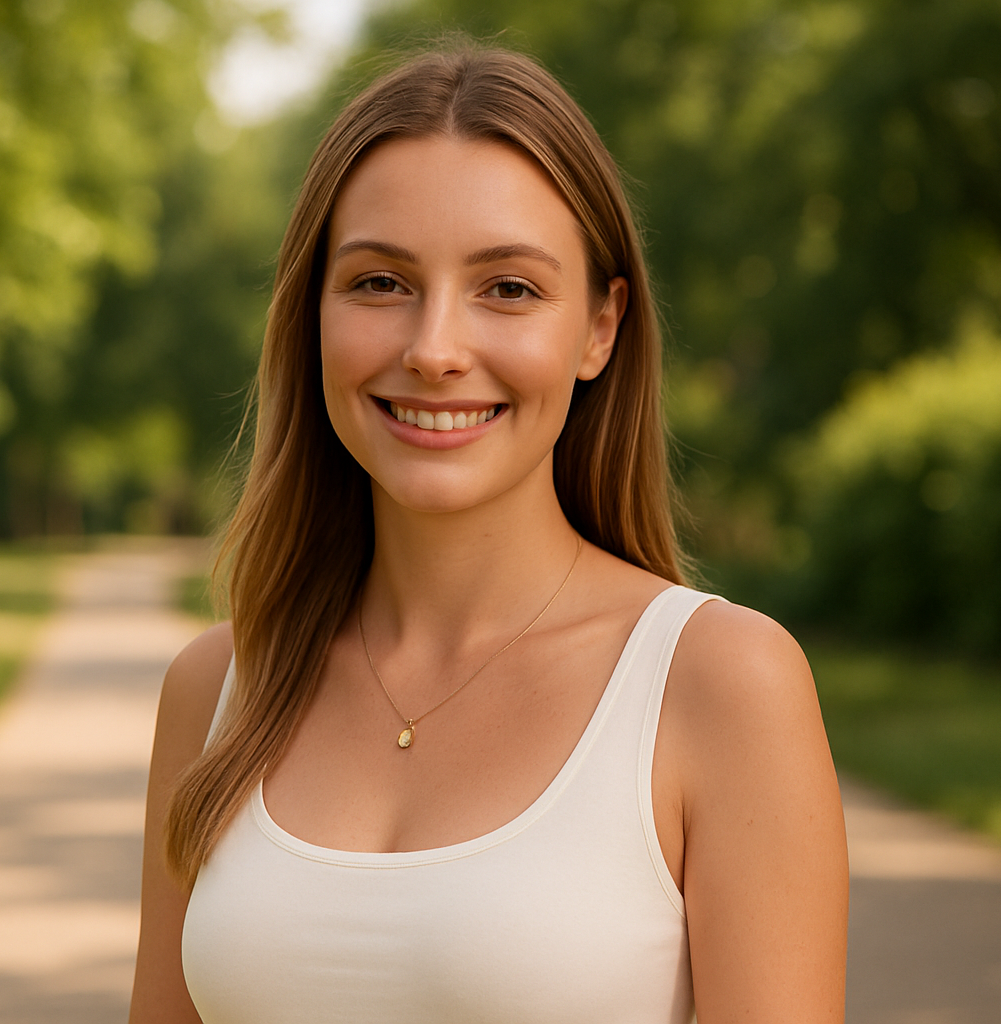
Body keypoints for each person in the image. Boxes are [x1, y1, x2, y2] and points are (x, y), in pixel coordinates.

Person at [129, 44, 847, 1024]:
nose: (434, 350)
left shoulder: (721, 684)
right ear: (312, 315)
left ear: (600, 327)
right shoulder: (214, 692)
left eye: (507, 288)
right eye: (380, 282)